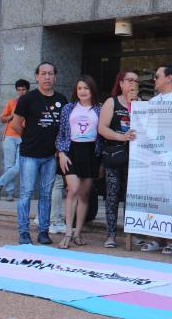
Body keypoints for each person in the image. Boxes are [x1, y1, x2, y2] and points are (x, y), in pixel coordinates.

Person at [10, 62, 68, 245]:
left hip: (50, 155)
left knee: (46, 194)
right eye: (43, 74)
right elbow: (15, 123)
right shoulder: (28, 98)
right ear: (37, 77)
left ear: (55, 77)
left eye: (50, 74)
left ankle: (43, 231)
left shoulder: (62, 99)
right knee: (26, 193)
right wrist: (29, 136)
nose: (47, 77)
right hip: (29, 154)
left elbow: (64, 127)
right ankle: (24, 232)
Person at [140, 64, 172, 255]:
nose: (154, 79)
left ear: (169, 78)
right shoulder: (153, 100)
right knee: (156, 199)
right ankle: (155, 237)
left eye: (157, 75)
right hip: (154, 156)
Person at [55, 76, 103, 249]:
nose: (82, 91)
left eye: (86, 88)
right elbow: (61, 133)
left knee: (84, 194)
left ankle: (78, 233)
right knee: (73, 190)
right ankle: (68, 232)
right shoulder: (69, 108)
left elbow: (103, 134)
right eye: (80, 88)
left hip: (91, 152)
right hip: (71, 151)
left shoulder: (99, 109)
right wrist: (61, 153)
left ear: (92, 91)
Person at [98, 71, 139, 248]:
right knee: (112, 196)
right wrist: (121, 137)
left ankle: (131, 234)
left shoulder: (140, 103)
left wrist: (135, 105)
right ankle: (111, 234)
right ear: (121, 83)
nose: (133, 84)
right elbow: (102, 128)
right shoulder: (111, 102)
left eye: (136, 81)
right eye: (130, 80)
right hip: (115, 156)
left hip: (136, 158)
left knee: (131, 198)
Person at [0, 79, 30, 201]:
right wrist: (11, 116)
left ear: (27, 90)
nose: (21, 92)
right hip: (10, 135)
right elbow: (2, 118)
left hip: (24, 136)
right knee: (9, 165)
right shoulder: (12, 102)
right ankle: (9, 193)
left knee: (18, 166)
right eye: (19, 90)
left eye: (23, 89)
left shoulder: (32, 102)